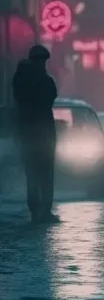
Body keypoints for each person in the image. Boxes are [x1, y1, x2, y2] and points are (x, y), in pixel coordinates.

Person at [12, 45, 59, 224]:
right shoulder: (43, 80)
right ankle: (44, 211)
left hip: (27, 133)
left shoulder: (20, 78)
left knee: (32, 174)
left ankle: (36, 210)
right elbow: (49, 98)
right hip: (43, 133)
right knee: (45, 174)